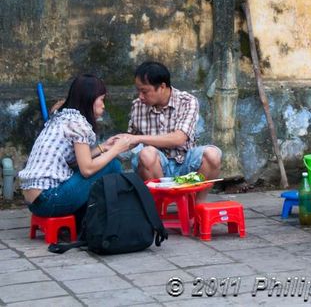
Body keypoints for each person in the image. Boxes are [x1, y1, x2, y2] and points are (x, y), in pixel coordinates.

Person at [19, 75, 131, 218]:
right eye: (102, 99)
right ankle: (113, 217)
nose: (104, 105)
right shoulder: (78, 123)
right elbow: (87, 169)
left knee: (106, 162)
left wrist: (104, 147)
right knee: (113, 165)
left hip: (34, 202)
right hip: (50, 199)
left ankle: (89, 217)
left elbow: (73, 162)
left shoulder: (62, 117)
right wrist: (117, 149)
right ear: (89, 99)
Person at [122, 61, 221, 202]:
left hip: (186, 164)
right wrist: (110, 147)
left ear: (162, 87)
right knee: (146, 154)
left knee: (213, 154)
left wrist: (139, 139)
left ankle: (197, 204)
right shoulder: (138, 106)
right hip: (156, 167)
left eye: (144, 91)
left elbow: (178, 139)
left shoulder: (187, 101)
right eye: (138, 91)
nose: (140, 96)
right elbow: (131, 139)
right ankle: (157, 206)